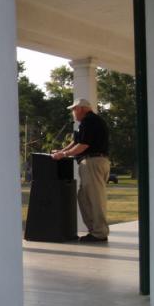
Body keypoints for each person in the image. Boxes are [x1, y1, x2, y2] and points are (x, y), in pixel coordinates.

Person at [52, 98, 111, 243]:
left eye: (74, 109)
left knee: (94, 199)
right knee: (84, 198)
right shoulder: (85, 123)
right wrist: (62, 150)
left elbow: (83, 145)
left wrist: (63, 155)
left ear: (81, 108)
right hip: (92, 162)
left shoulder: (90, 121)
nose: (72, 112)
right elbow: (76, 141)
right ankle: (95, 231)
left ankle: (99, 233)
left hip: (93, 162)